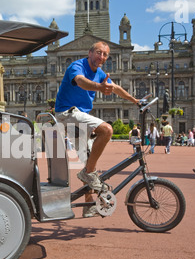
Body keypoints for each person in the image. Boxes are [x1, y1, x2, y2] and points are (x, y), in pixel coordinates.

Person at [54, 41, 139, 217]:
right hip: (66, 113)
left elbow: (116, 88)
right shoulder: (76, 66)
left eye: (105, 54)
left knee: (89, 160)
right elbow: (80, 81)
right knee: (107, 130)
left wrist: (136, 101)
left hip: (78, 116)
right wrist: (100, 87)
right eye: (98, 53)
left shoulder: (99, 73)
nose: (101, 57)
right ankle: (88, 174)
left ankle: (88, 205)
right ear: (90, 52)